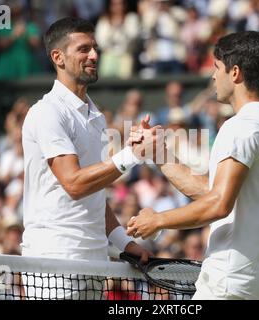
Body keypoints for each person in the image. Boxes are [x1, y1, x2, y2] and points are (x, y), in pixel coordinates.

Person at [127, 31, 259, 300]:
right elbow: (213, 191)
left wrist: (158, 220)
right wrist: (158, 153)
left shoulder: (239, 127)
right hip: (255, 282)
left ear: (234, 73)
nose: (213, 76)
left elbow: (218, 203)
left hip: (227, 282)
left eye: (216, 68)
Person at [21, 17, 154, 299]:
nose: (94, 55)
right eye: (83, 49)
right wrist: (130, 154)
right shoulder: (47, 113)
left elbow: (92, 195)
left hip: (95, 262)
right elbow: (74, 184)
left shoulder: (96, 118)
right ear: (58, 57)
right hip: (55, 262)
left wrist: (125, 244)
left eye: (95, 48)